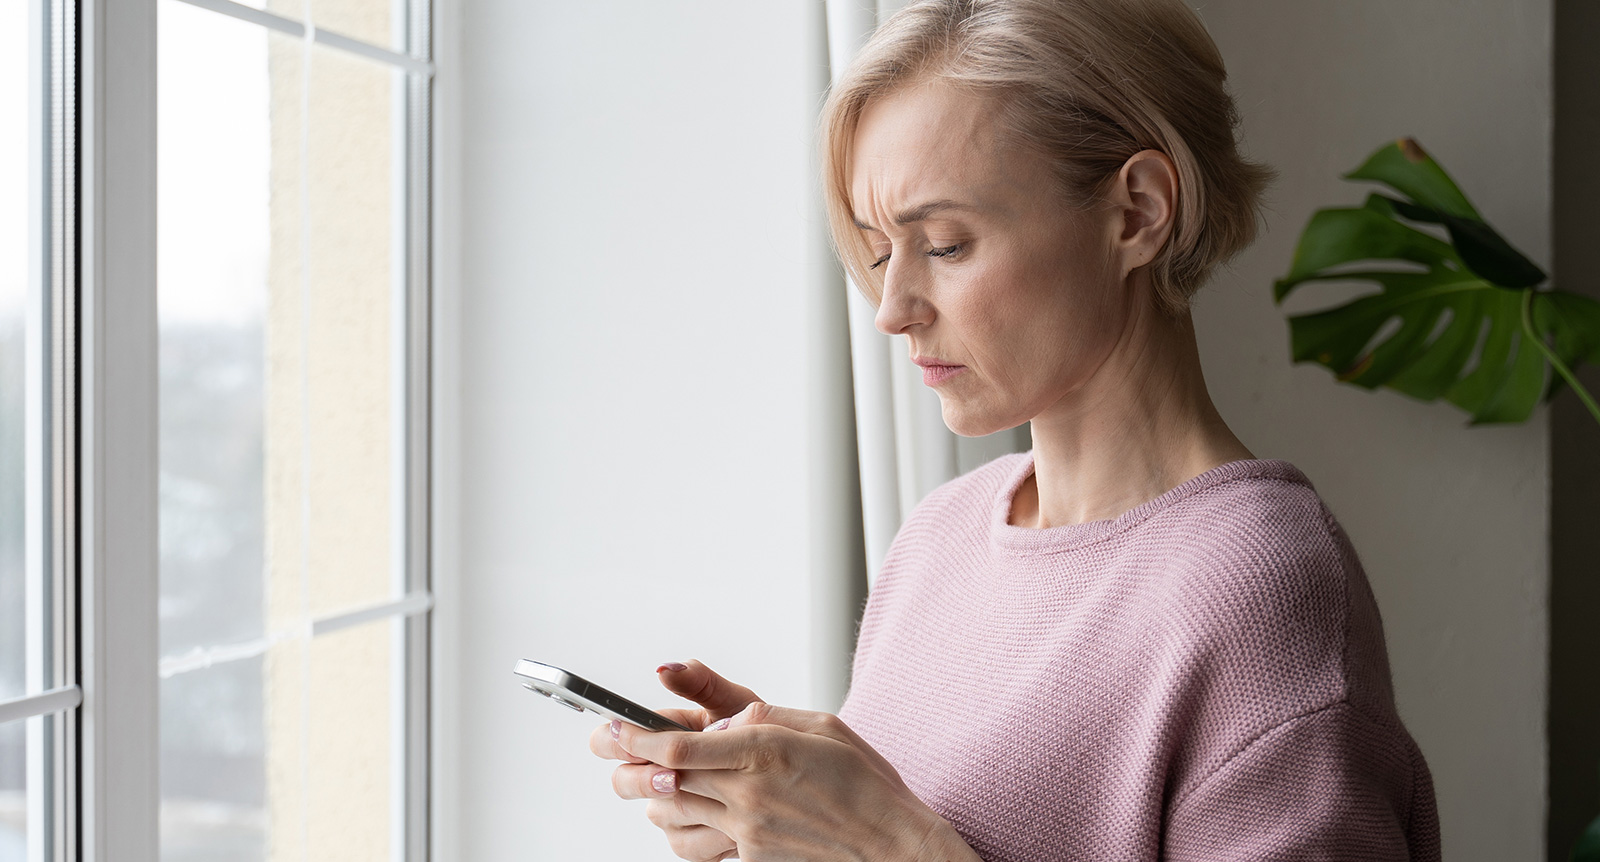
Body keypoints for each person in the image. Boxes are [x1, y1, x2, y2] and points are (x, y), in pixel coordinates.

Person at [588, 0, 1443, 859]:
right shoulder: (943, 536)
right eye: (883, 250)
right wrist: (787, 809)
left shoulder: (1262, 593)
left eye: (947, 245)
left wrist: (892, 847)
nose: (892, 309)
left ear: (1137, 211)